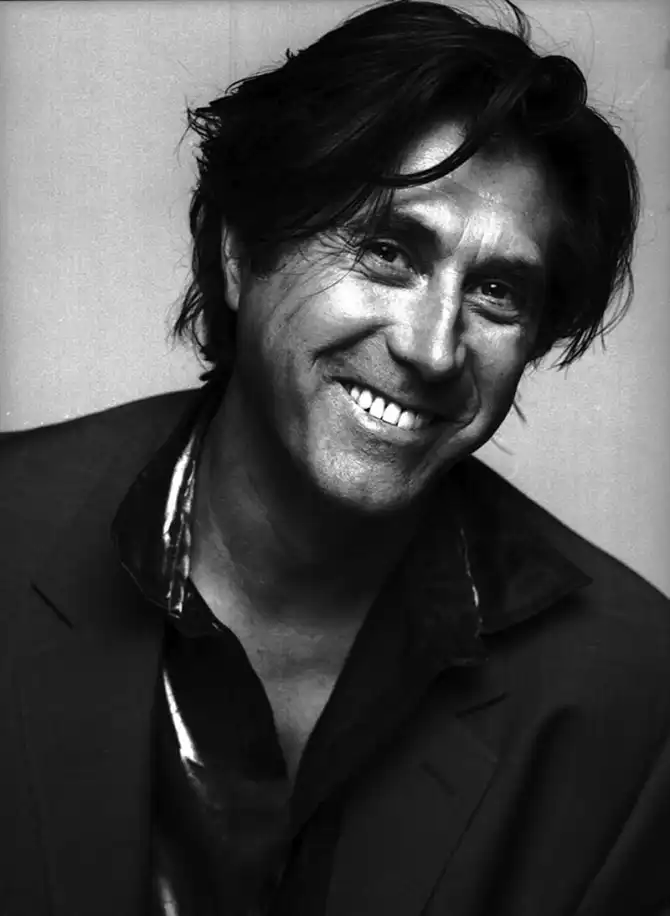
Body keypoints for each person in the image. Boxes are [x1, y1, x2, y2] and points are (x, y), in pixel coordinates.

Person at [1, 1, 669, 914]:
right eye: (388, 251)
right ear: (240, 252)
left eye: (497, 292)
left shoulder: (631, 691)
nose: (433, 348)